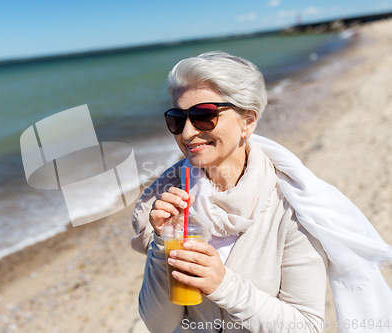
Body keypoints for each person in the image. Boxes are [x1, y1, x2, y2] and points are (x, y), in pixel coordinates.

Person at [131, 51, 392, 333]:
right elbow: (159, 325)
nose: (187, 133)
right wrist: (161, 244)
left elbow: (307, 327)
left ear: (249, 121)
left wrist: (223, 286)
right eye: (177, 119)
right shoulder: (173, 199)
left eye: (203, 116)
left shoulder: (292, 206)